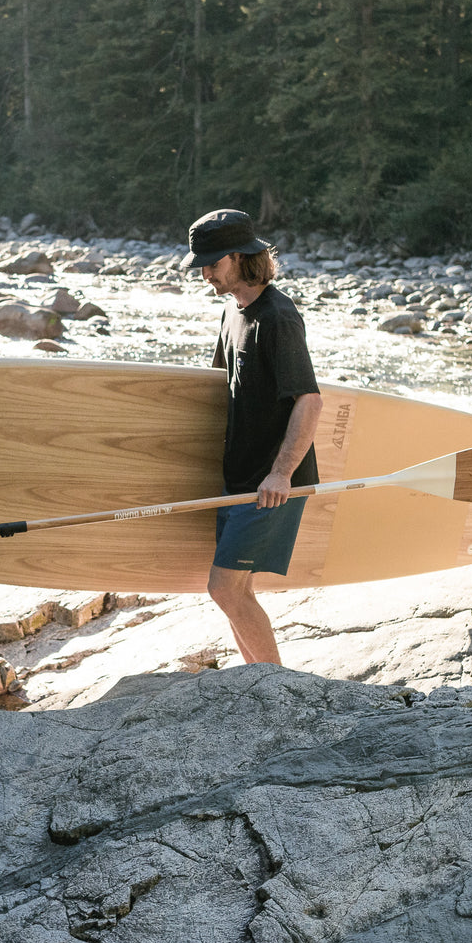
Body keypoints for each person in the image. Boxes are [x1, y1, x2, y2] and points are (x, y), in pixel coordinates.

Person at [181, 208, 323, 665]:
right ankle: (257, 679)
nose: (205, 273)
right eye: (201, 264)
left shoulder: (278, 318)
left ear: (242, 258)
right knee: (235, 591)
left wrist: (280, 475)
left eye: (213, 263)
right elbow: (225, 392)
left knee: (222, 589)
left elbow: (309, 400)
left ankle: (273, 686)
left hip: (271, 484)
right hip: (239, 479)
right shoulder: (232, 312)